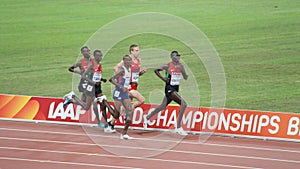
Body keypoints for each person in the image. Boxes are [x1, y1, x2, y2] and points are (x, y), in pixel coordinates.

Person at [64, 50, 116, 132]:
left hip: (98, 88)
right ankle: (72, 98)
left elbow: (95, 75)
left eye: (101, 56)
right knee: (86, 107)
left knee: (103, 104)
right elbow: (84, 76)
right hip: (90, 88)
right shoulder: (91, 65)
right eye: (98, 56)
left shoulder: (100, 65)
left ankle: (106, 126)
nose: (100, 57)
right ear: (95, 57)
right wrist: (93, 82)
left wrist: (101, 80)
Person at [143, 51, 189, 136]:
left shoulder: (180, 65)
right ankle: (178, 127)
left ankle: (147, 117)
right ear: (172, 57)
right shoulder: (168, 65)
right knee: (184, 104)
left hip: (175, 88)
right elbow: (156, 70)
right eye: (176, 56)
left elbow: (185, 77)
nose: (178, 57)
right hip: (169, 89)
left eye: (179, 55)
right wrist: (164, 79)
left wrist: (185, 74)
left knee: (162, 106)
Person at [113, 44, 146, 117]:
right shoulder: (127, 60)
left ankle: (112, 122)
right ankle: (126, 111)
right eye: (136, 50)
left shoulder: (138, 60)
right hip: (129, 85)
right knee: (141, 100)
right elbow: (115, 67)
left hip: (135, 85)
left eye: (138, 50)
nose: (138, 52)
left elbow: (135, 74)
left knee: (127, 104)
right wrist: (122, 76)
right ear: (131, 51)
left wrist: (141, 73)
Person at [109, 55, 134, 139]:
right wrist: (121, 86)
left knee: (130, 111)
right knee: (117, 114)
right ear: (124, 61)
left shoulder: (129, 69)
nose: (129, 62)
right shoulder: (121, 70)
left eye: (130, 60)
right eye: (127, 61)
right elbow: (111, 79)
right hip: (118, 92)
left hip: (125, 93)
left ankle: (124, 134)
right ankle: (105, 103)